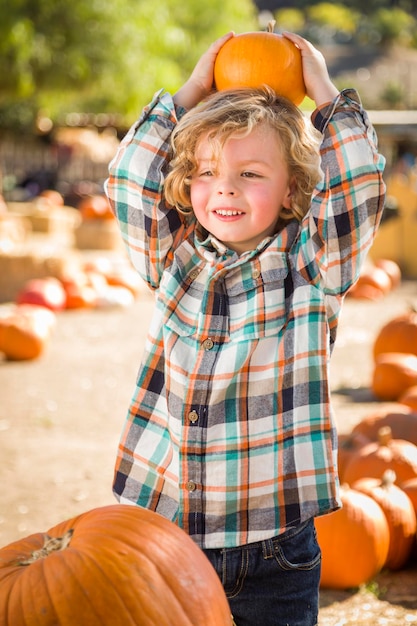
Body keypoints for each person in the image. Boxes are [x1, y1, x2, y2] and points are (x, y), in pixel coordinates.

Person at [105, 31, 385, 626]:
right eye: (205, 171)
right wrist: (188, 95)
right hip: (167, 539)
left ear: (293, 191)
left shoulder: (312, 267)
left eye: (251, 173)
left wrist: (327, 96)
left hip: (273, 554)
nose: (224, 187)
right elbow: (130, 183)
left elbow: (357, 191)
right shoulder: (173, 256)